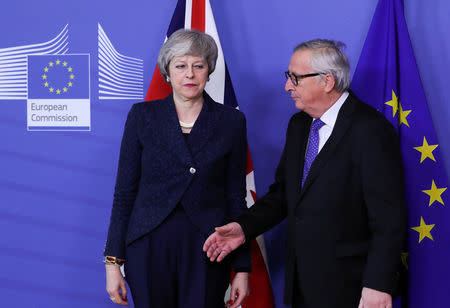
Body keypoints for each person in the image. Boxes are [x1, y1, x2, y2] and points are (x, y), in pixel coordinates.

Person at [203, 39, 407, 308]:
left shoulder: (371, 131)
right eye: (289, 77)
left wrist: (378, 285)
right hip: (303, 285)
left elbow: (388, 219)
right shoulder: (299, 126)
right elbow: (285, 195)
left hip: (355, 289)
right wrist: (244, 228)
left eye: (295, 78)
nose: (288, 86)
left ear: (327, 81)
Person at [103, 29, 250, 308]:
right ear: (167, 71)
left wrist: (242, 269)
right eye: (181, 66)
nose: (190, 74)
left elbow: (235, 198)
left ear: (209, 70)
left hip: (209, 247)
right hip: (148, 246)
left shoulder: (231, 121)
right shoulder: (142, 117)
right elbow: (124, 194)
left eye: (198, 66)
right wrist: (113, 264)